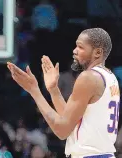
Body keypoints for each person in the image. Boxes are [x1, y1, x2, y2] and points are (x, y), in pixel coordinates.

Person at [7, 28, 120, 158]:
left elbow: (62, 130)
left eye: (81, 47)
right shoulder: (110, 77)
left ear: (97, 52)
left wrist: (34, 91)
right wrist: (53, 90)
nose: (75, 51)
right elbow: (70, 119)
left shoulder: (88, 77)